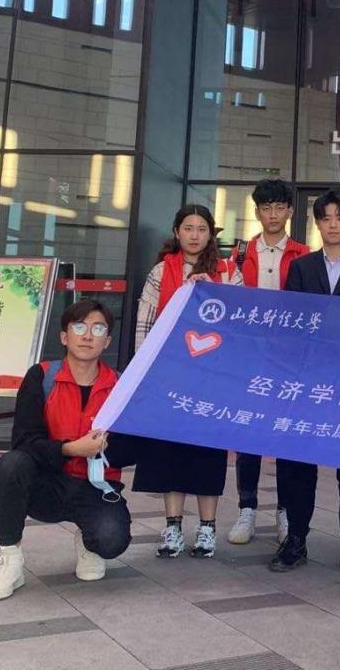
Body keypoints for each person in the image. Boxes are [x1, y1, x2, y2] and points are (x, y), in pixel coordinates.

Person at [0, 299, 139, 601]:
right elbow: (24, 441)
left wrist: (107, 447)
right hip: (46, 484)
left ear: (107, 341)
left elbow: (133, 449)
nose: (88, 335)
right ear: (64, 336)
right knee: (9, 467)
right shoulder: (41, 377)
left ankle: (90, 542)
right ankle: (10, 562)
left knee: (111, 540)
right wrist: (71, 449)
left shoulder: (120, 386)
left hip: (95, 487)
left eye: (98, 329)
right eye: (79, 327)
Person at [269, 188, 340, 576]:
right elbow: (291, 324)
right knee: (297, 466)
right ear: (317, 223)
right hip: (308, 384)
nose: (333, 224)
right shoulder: (301, 269)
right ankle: (296, 540)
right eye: (326, 218)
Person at [133, 204, 242, 559]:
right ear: (177, 232)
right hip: (170, 377)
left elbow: (241, 323)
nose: (195, 235)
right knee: (170, 452)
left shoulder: (228, 271)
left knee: (207, 453)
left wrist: (215, 292)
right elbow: (145, 324)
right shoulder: (161, 271)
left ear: (211, 234)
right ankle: (173, 527)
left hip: (212, 381)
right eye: (188, 228)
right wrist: (143, 371)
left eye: (202, 229)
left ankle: (207, 528)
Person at [227, 178, 309, 546]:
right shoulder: (240, 254)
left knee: (286, 435)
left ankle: (285, 510)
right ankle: (246, 508)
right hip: (251, 357)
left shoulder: (304, 255)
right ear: (257, 212)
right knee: (248, 434)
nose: (273, 215)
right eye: (266, 208)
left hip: (290, 361)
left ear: (290, 211)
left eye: (279, 207)